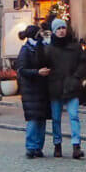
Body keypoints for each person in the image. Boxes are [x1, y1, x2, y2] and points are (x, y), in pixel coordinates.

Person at [46, 18, 86, 159]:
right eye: (58, 29)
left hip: (72, 86)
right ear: (54, 31)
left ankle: (76, 145)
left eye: (63, 28)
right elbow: (43, 64)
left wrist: (76, 77)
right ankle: (57, 144)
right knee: (56, 118)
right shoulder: (49, 49)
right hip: (56, 87)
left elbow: (83, 64)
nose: (61, 31)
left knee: (73, 116)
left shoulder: (75, 47)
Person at [16, 24, 51, 158]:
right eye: (40, 33)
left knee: (42, 119)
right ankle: (30, 147)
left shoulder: (41, 47)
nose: (42, 35)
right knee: (33, 119)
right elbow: (22, 70)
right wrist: (37, 72)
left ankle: (38, 147)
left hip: (42, 89)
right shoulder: (26, 50)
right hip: (30, 90)